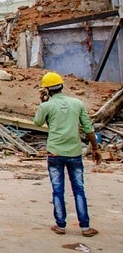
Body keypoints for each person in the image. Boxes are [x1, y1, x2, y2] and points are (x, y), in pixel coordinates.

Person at [33, 72, 101, 238]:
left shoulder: (46, 106)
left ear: (47, 90)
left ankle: (60, 225)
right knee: (79, 189)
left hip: (55, 152)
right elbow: (88, 128)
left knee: (58, 190)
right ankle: (85, 227)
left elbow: (37, 122)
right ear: (62, 86)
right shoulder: (77, 103)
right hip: (74, 153)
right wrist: (96, 148)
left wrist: (43, 103)